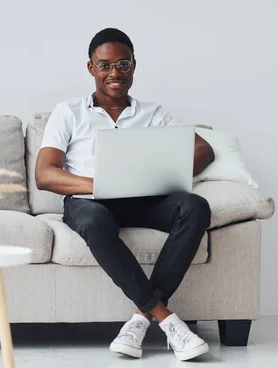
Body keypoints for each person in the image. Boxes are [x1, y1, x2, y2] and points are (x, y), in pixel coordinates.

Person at [35, 28, 215, 361]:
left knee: (195, 207)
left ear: (134, 66)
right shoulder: (69, 111)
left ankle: (139, 319)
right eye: (105, 65)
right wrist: (102, 183)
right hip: (89, 202)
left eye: (123, 64)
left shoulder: (154, 113)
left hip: (142, 198)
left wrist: (159, 176)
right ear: (91, 68)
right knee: (94, 220)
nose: (115, 73)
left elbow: (204, 150)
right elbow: (45, 174)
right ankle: (164, 318)